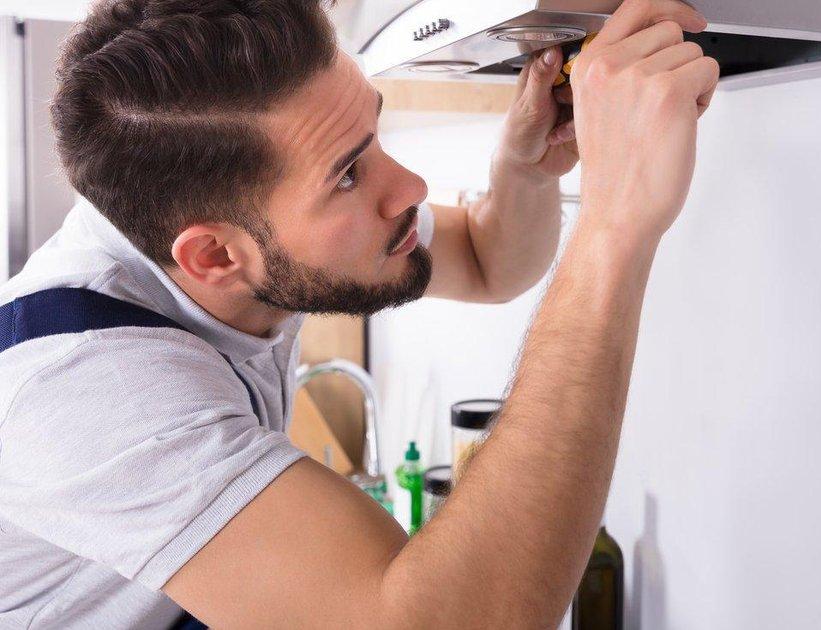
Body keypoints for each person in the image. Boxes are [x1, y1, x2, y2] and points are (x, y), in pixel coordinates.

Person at [0, 0, 718, 626]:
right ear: (215, 257)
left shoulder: (219, 231)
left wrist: (525, 170)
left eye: (374, 136)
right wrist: (616, 226)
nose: (408, 184)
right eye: (348, 173)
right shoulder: (84, 391)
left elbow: (489, 260)